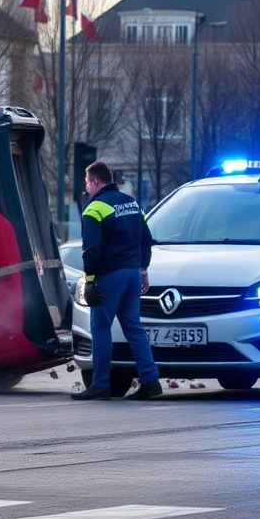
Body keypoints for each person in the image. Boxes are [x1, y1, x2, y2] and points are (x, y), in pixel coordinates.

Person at [72, 160, 162, 401]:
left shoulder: (94, 208)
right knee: (133, 327)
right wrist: (143, 269)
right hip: (133, 273)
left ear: (95, 181)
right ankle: (150, 380)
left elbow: (91, 249)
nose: (86, 190)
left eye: (86, 184)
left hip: (110, 274)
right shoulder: (132, 204)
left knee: (100, 328)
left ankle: (100, 384)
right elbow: (147, 239)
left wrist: (90, 281)